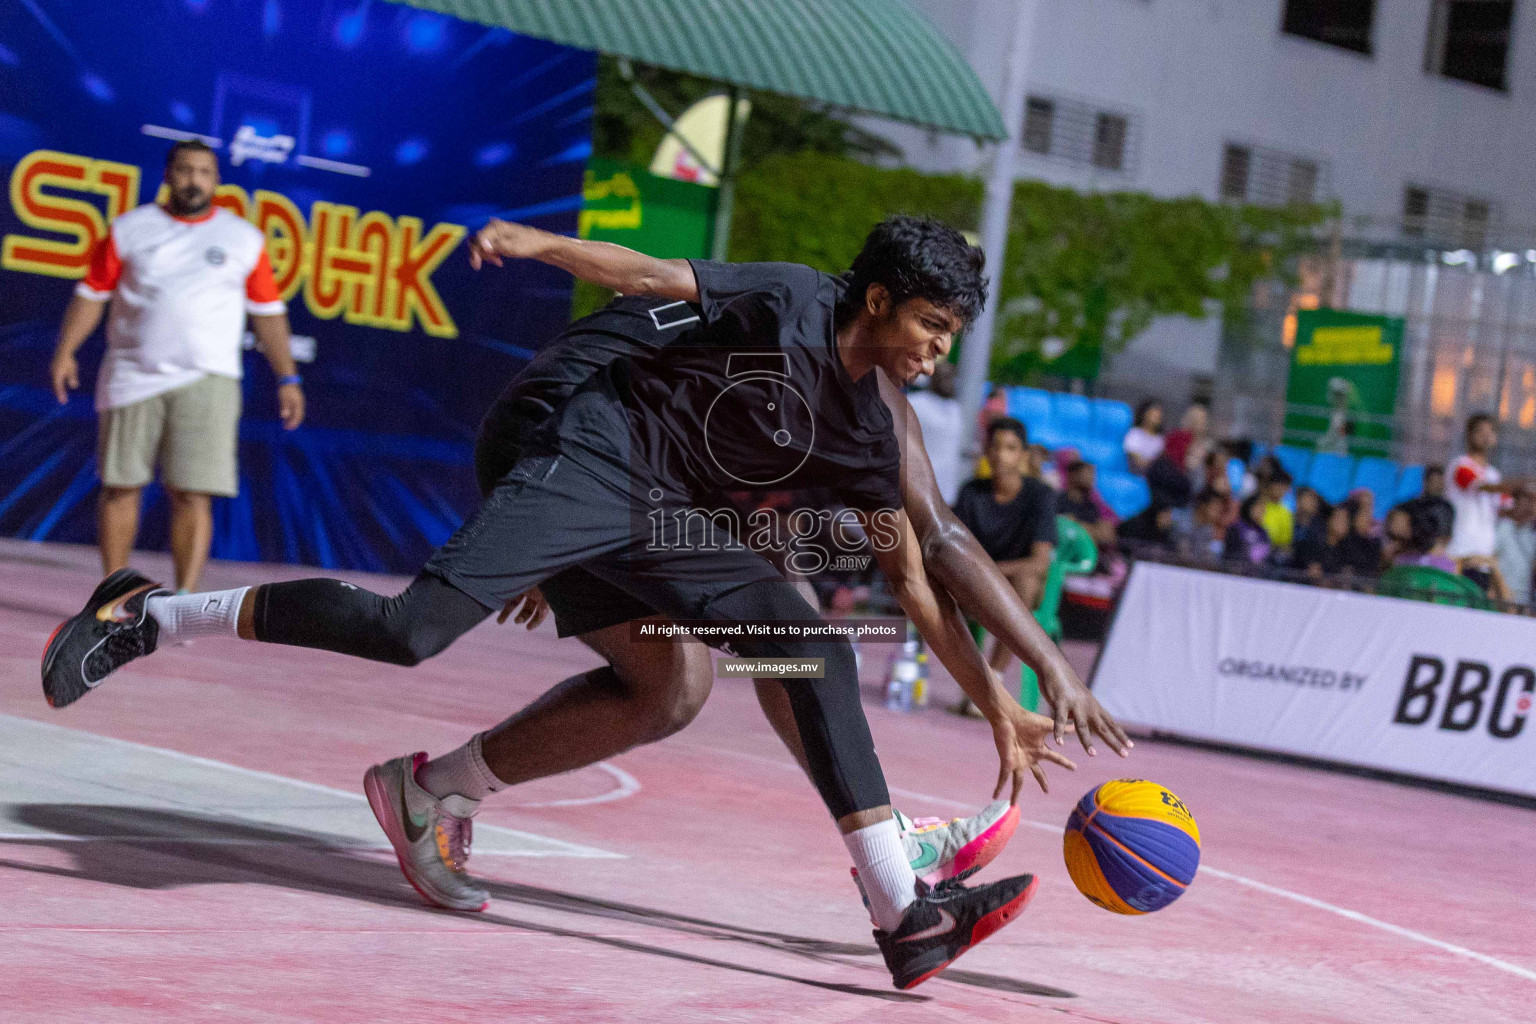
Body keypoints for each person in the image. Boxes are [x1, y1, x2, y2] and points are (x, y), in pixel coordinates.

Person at [43, 216, 1118, 991]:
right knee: (410, 631)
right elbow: (648, 271)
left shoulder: (871, 429)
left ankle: (902, 911)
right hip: (585, 451)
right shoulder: (792, 297)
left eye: (950, 334)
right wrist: (535, 246)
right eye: (930, 325)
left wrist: (1010, 690)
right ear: (879, 300)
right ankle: (145, 612)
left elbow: (926, 567)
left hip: (666, 507)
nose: (939, 349)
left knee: (791, 646)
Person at [47, 140, 305, 592]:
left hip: (208, 379)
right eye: (185, 170)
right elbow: (91, 295)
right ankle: (111, 598)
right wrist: (66, 351)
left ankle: (184, 601)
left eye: (205, 172)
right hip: (133, 374)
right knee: (120, 488)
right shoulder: (130, 229)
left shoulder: (243, 238)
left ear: (217, 180)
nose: (194, 180)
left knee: (191, 494)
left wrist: (287, 376)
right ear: (167, 176)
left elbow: (267, 313)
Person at [954, 418, 1058, 680]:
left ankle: (994, 676)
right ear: (987, 451)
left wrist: (994, 571)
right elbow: (954, 549)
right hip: (976, 582)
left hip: (1015, 582)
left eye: (1010, 448)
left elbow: (1040, 562)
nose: (1001, 455)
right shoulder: (971, 492)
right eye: (996, 447)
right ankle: (963, 676)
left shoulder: (1041, 496)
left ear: (1023, 455)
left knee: (1026, 581)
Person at [1447, 414, 1527, 592]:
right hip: (1459, 552)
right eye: (1480, 432)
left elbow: (1506, 509)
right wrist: (1523, 483)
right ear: (1469, 434)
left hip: (1483, 557)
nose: (1485, 436)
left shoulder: (1494, 474)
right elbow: (1482, 487)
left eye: (1490, 432)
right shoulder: (1460, 465)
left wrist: (1529, 503)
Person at [905, 360, 964, 505]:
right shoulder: (914, 403)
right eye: (944, 376)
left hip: (946, 492)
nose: (948, 381)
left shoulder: (955, 409)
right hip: (915, 488)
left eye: (951, 377)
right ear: (932, 378)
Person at [1056, 459, 1116, 550]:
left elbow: (1107, 536)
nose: (1092, 478)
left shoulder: (1091, 505)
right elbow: (1063, 529)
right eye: (1088, 473)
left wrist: (1078, 525)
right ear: (1072, 475)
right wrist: (1093, 530)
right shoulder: (1057, 501)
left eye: (1093, 474)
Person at [1495, 487, 1536, 604]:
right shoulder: (1503, 527)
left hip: (1525, 596)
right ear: (1516, 502)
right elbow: (1491, 559)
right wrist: (1499, 588)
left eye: (1533, 501)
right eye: (1527, 500)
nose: (1531, 506)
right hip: (1501, 593)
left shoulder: (1531, 533)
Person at [1292, 503, 1352, 578]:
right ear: (1329, 519)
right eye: (1339, 518)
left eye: (1345, 520)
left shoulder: (1347, 551)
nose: (1341, 523)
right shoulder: (1312, 545)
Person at [1171, 487, 1228, 562]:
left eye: (1219, 511)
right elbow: (1183, 553)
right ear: (1203, 506)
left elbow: (1205, 555)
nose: (1217, 514)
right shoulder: (1182, 520)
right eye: (1215, 509)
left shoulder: (1208, 529)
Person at [1162, 400, 1210, 474]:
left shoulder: (1203, 444)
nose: (1201, 423)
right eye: (1198, 419)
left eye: (1203, 419)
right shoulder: (1176, 437)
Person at [1223, 495, 1272, 564]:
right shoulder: (1236, 528)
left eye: (1264, 508)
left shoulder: (1263, 532)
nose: (1263, 511)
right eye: (1259, 507)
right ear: (1249, 507)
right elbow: (1231, 555)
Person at [1123, 399, 1164, 474]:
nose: (1156, 417)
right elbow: (1136, 461)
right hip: (1134, 470)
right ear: (1144, 414)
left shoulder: (1160, 439)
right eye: (1153, 415)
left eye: (1159, 416)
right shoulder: (1135, 433)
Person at [1260, 470, 1295, 551]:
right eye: (1278, 485)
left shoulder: (1286, 513)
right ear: (1269, 485)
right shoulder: (1257, 504)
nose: (1281, 489)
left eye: (1284, 486)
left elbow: (1285, 544)